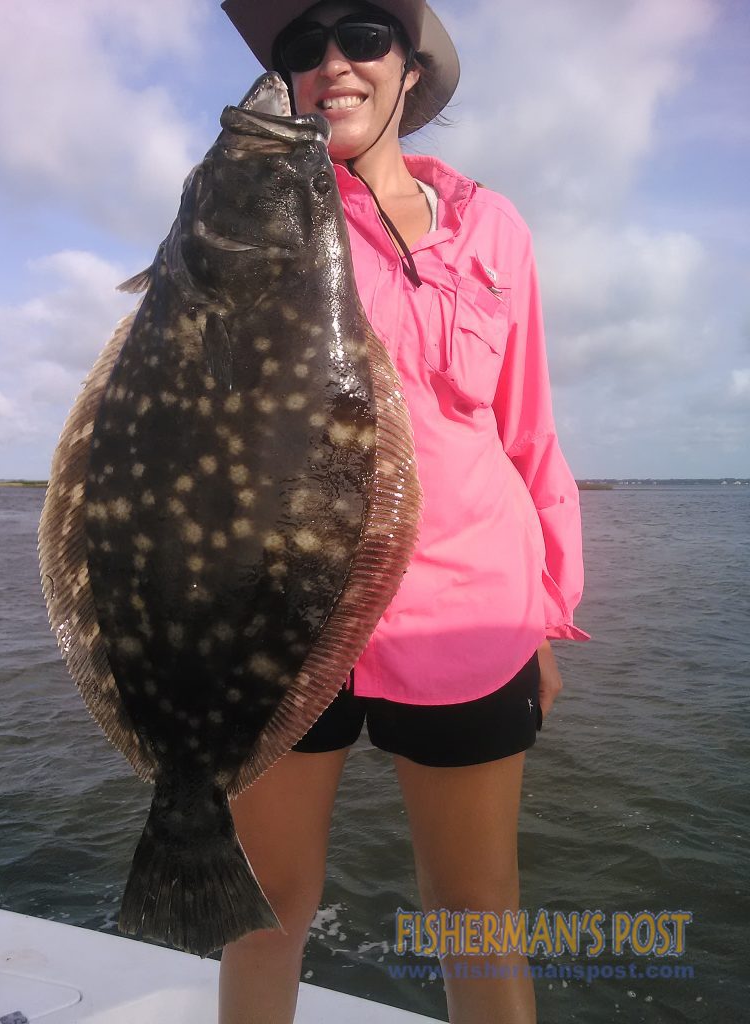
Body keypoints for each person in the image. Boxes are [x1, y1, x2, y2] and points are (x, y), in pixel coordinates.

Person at [217, 2, 588, 1022]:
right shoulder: (255, 216)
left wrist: (548, 610)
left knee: (476, 910)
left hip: (471, 613)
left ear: (410, 68)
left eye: (363, 36)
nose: (332, 63)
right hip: (286, 621)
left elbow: (530, 429)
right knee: (265, 904)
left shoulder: (494, 228)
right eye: (302, 49)